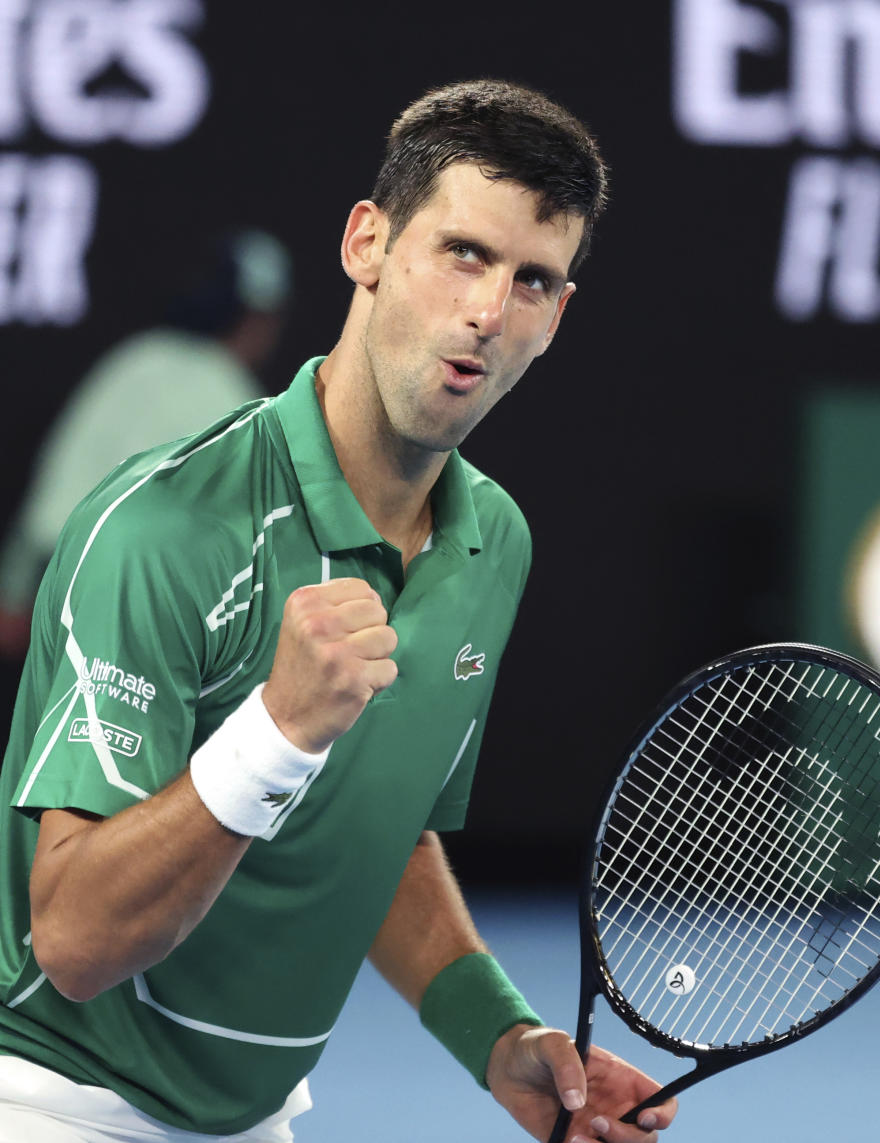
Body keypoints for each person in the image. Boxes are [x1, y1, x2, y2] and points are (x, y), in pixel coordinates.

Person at [0, 79, 678, 1143]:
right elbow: (74, 941)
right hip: (57, 1103)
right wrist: (274, 732)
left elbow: (380, 833)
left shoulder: (492, 544)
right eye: (462, 252)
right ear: (368, 243)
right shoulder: (163, 530)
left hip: (260, 1119)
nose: (488, 314)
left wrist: (498, 1040)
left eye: (533, 280)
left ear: (557, 318)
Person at [0, 227, 293, 659]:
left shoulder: (136, 358)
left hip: (57, 579)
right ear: (256, 320)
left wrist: (13, 590)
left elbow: (53, 494)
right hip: (129, 597)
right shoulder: (234, 399)